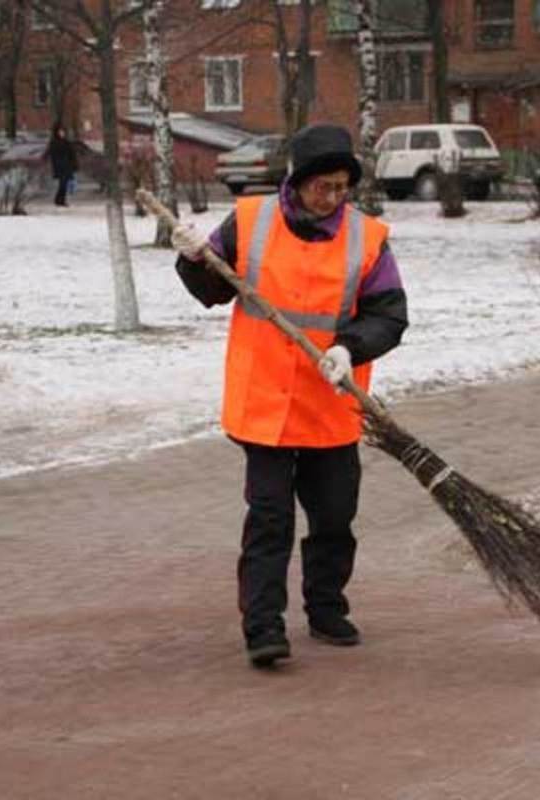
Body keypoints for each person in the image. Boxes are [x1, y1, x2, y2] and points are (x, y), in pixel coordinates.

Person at [171, 124, 408, 669]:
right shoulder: (252, 221)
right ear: (296, 183)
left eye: (342, 186)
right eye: (323, 186)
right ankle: (263, 628)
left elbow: (390, 315)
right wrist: (192, 259)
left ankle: (326, 609)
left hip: (331, 404)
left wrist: (351, 348)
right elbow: (214, 289)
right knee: (269, 519)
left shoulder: (366, 237)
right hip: (267, 405)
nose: (333, 197)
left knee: (333, 518)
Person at [46, 124, 78, 207]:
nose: (62, 133)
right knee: (62, 183)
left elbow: (72, 154)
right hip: (60, 166)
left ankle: (60, 199)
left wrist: (74, 165)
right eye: (60, 131)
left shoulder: (66, 142)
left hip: (67, 166)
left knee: (64, 184)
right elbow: (51, 154)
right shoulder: (54, 143)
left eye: (63, 131)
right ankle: (59, 199)